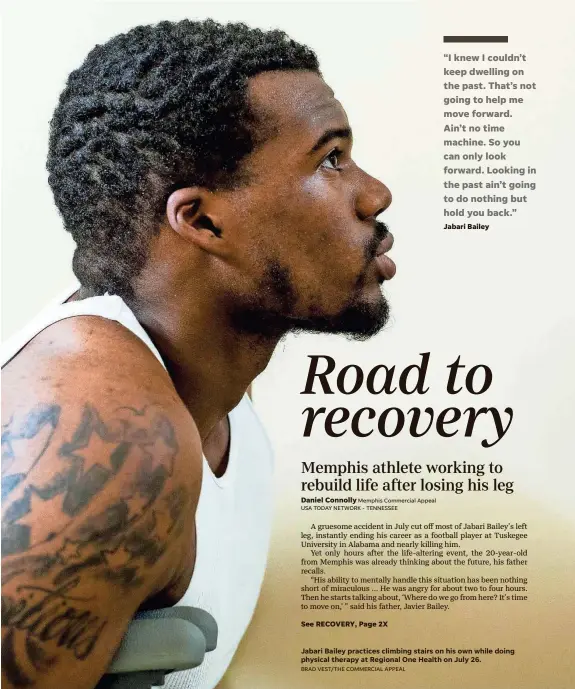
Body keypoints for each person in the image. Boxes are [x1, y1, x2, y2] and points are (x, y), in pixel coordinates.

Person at [1, 18, 395, 689]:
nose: (374, 194)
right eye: (329, 158)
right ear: (203, 220)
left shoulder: (212, 388)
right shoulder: (106, 432)